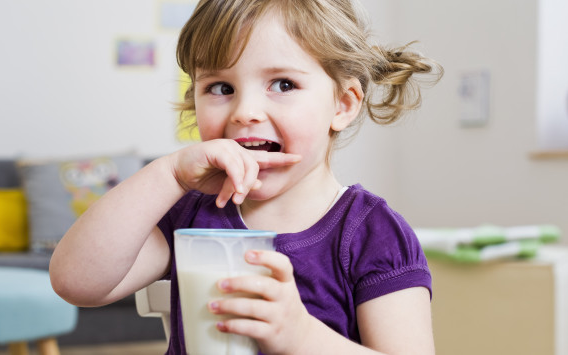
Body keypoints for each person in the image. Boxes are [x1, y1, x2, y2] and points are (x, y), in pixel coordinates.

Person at [49, 0, 443, 354]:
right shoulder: (189, 214)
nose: (245, 111)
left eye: (283, 84)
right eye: (221, 87)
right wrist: (169, 174)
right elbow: (76, 282)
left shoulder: (372, 233)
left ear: (342, 104)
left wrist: (301, 336)